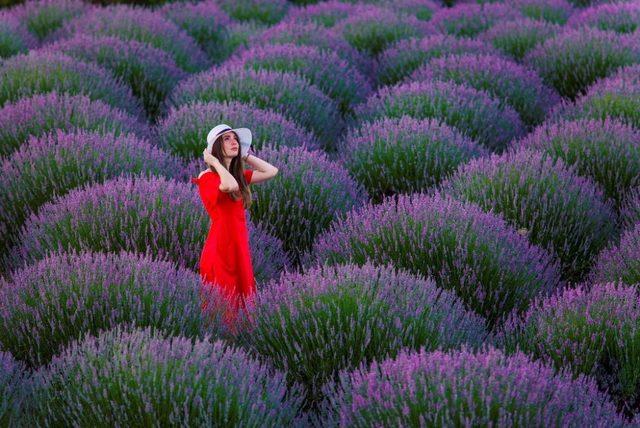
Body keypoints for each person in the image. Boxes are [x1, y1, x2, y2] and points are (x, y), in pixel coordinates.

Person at [190, 124, 278, 334]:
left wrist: (245, 155)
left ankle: (239, 347)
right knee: (223, 309)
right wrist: (213, 162)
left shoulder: (237, 176)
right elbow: (228, 186)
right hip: (220, 251)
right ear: (216, 147)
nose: (233, 142)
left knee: (244, 306)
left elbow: (271, 171)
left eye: (235, 139)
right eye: (227, 139)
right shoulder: (207, 177)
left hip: (238, 249)